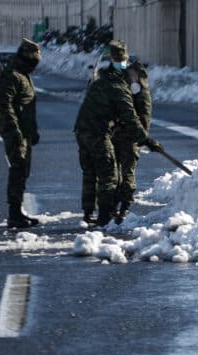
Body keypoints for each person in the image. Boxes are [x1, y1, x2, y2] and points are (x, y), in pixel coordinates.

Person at [74, 40, 156, 227]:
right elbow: (131, 117)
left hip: (82, 131)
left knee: (90, 172)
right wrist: (146, 139)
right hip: (100, 134)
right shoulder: (120, 89)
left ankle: (90, 212)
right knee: (109, 174)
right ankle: (105, 217)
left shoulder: (100, 82)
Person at [0, 38, 42, 229]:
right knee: (18, 169)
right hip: (15, 132)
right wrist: (14, 130)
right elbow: (6, 106)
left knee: (23, 171)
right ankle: (14, 213)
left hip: (24, 132)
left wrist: (32, 131)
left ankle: (18, 211)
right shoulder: (12, 75)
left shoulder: (23, 74)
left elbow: (25, 106)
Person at [112, 61, 153, 224]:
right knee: (123, 172)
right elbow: (143, 117)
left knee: (122, 171)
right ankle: (120, 206)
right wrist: (143, 137)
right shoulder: (138, 90)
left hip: (125, 135)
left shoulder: (125, 86)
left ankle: (119, 206)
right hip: (128, 136)